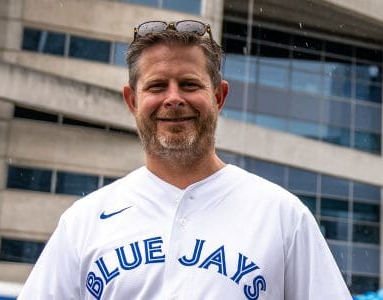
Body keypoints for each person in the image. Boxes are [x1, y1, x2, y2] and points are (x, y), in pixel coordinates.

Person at [18, 19, 351, 300]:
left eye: (190, 84)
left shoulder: (282, 217)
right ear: (132, 100)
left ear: (218, 96)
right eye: (157, 86)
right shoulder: (83, 222)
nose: (173, 98)